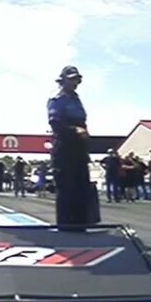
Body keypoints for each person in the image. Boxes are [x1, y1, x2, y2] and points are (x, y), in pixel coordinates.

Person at [48, 65, 91, 230]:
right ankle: (66, 227)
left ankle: (81, 225)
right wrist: (74, 130)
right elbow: (55, 123)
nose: (75, 82)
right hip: (64, 148)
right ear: (63, 80)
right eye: (71, 79)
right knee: (66, 189)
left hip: (79, 148)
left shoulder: (76, 99)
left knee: (81, 187)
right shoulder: (57, 99)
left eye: (76, 79)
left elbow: (83, 122)